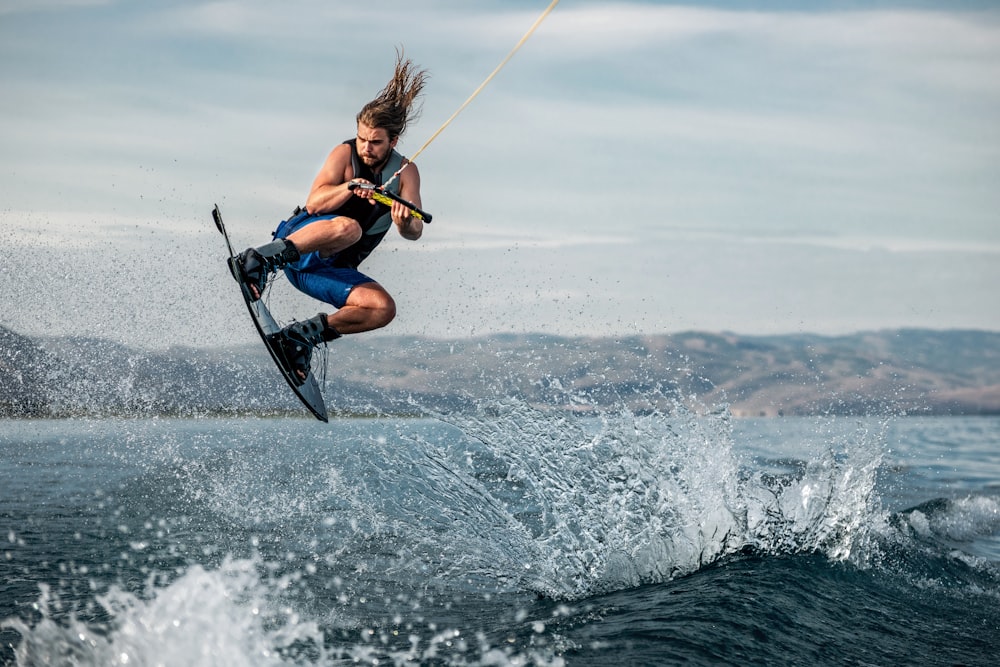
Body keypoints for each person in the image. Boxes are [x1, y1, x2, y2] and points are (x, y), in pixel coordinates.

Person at [233, 52, 429, 383]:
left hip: (324, 271)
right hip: (297, 247)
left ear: (393, 141)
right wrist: (349, 188)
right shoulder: (345, 154)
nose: (366, 147)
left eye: (376, 142)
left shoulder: (407, 172)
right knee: (349, 227)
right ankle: (257, 262)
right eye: (363, 138)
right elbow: (315, 203)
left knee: (384, 308)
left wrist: (404, 222)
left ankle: (300, 338)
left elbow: (415, 231)